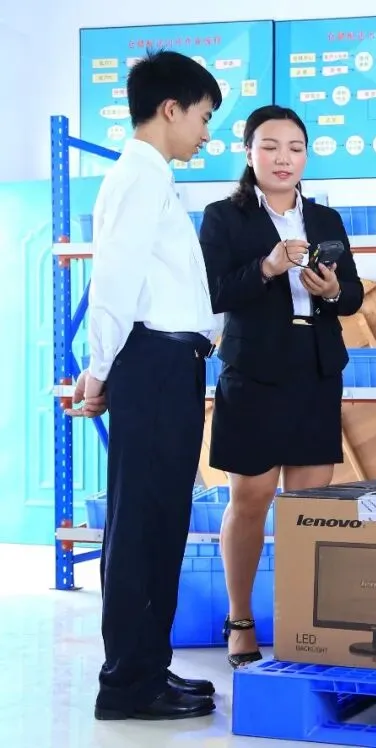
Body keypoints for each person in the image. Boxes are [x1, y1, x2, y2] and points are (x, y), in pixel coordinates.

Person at [64, 50, 221, 721]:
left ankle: (149, 667)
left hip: (168, 365)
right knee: (140, 527)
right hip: (151, 362)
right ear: (170, 109)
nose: (206, 133)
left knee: (162, 523)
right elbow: (115, 282)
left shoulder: (155, 179)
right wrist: (100, 368)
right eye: (203, 117)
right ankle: (127, 682)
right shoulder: (137, 178)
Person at [199, 105, 364, 669]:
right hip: (253, 372)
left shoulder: (325, 218)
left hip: (315, 368)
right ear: (249, 153)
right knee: (250, 501)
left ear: (306, 156)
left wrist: (332, 290)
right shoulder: (224, 217)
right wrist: (267, 268)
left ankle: (302, 624)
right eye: (269, 147)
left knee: (308, 508)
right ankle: (240, 619)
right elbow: (213, 292)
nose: (283, 158)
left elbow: (352, 297)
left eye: (295, 147)